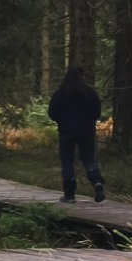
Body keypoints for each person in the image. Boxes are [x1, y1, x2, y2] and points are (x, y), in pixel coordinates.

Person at [48, 66, 105, 203]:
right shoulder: (90, 93)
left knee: (67, 160)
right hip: (87, 130)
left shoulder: (61, 93)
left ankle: (69, 194)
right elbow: (97, 111)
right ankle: (97, 182)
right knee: (89, 159)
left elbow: (52, 112)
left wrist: (62, 121)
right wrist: (89, 121)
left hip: (66, 130)